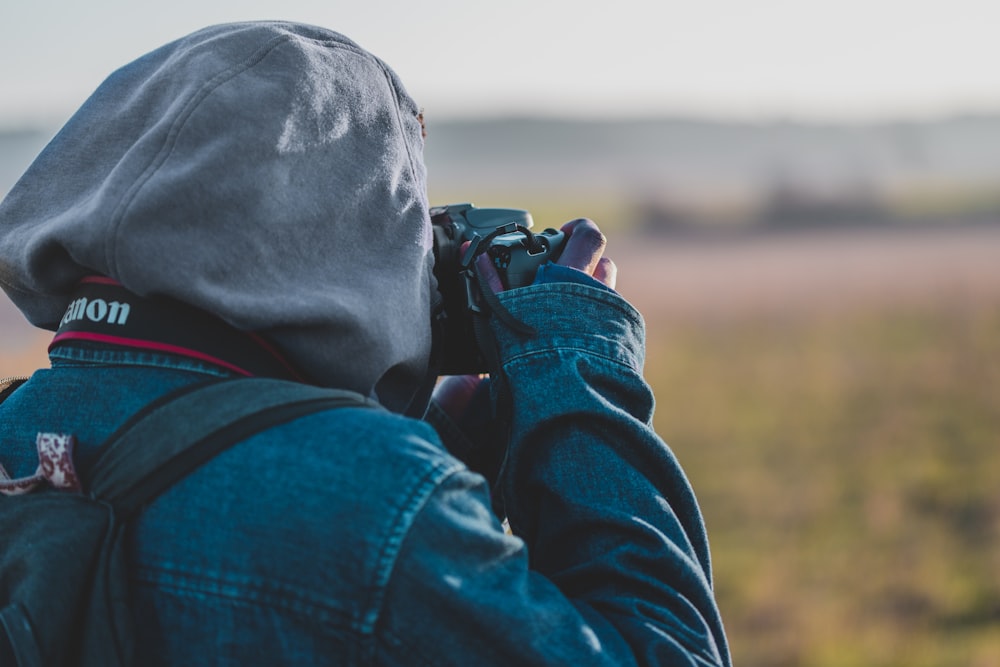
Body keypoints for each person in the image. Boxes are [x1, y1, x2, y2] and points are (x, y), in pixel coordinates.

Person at [0, 21, 731, 666]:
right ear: (340, 231)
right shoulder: (378, 502)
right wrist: (577, 362)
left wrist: (437, 437)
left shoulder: (18, 430)